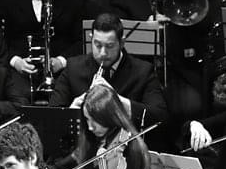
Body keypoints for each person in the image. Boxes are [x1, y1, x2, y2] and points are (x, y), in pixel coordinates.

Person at [50, 12, 174, 142]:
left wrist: (118, 101)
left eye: (109, 46)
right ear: (91, 38)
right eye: (98, 45)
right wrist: (74, 110)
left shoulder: (143, 71)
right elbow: (51, 117)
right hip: (84, 148)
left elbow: (161, 116)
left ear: (122, 42)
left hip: (127, 149)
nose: (103, 53)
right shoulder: (73, 68)